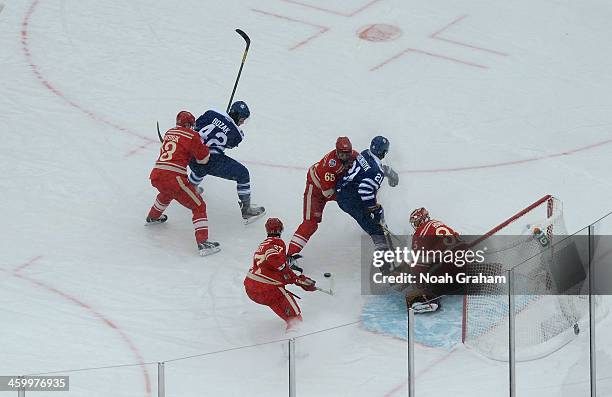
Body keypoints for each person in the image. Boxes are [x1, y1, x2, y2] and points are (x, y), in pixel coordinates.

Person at [145, 111, 220, 257]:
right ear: (189, 124)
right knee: (199, 205)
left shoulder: (169, 132)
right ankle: (203, 243)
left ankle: (153, 216)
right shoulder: (192, 135)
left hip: (156, 173)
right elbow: (203, 159)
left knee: (167, 193)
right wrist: (202, 147)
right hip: (174, 176)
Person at [188, 101, 265, 224]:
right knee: (243, 174)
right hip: (211, 160)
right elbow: (230, 144)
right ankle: (246, 209)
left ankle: (191, 187)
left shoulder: (211, 112)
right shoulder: (238, 134)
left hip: (192, 155)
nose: (243, 122)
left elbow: (196, 126)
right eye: (242, 119)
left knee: (200, 166)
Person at [287, 137, 358, 256]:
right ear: (336, 152)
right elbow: (328, 193)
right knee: (310, 223)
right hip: (316, 190)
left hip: (332, 187)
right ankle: (290, 255)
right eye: (342, 154)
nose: (345, 157)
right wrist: (350, 196)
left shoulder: (355, 156)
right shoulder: (329, 165)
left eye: (347, 154)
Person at [244, 218, 317, 331]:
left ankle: (292, 335)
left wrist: (298, 280)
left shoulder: (262, 244)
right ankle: (296, 341)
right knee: (295, 319)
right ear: (281, 229)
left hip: (251, 287)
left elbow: (272, 270)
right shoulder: (277, 242)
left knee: (281, 309)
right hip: (267, 288)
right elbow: (273, 258)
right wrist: (298, 279)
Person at [336, 136, 399, 251]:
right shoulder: (377, 172)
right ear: (384, 152)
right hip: (350, 199)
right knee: (376, 229)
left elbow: (370, 168)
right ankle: (386, 265)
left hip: (342, 189)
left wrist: (388, 171)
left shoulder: (365, 153)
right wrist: (373, 210)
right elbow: (365, 189)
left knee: (378, 211)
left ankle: (382, 227)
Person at [406, 207, 462, 312]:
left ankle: (427, 300)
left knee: (418, 269)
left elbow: (418, 262)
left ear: (421, 220)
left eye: (416, 222)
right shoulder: (437, 223)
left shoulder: (421, 232)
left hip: (448, 262)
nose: (415, 226)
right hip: (463, 257)